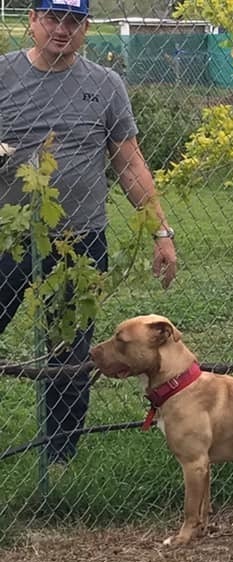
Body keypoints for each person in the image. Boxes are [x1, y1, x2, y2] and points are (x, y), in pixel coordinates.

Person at [0, 0, 178, 467]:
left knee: (72, 351)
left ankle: (59, 457)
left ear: (85, 28)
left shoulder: (105, 84)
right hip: (9, 238)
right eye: (53, 18)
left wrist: (161, 230)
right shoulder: (4, 76)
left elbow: (129, 161)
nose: (62, 30)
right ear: (33, 21)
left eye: (73, 21)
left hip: (81, 241)